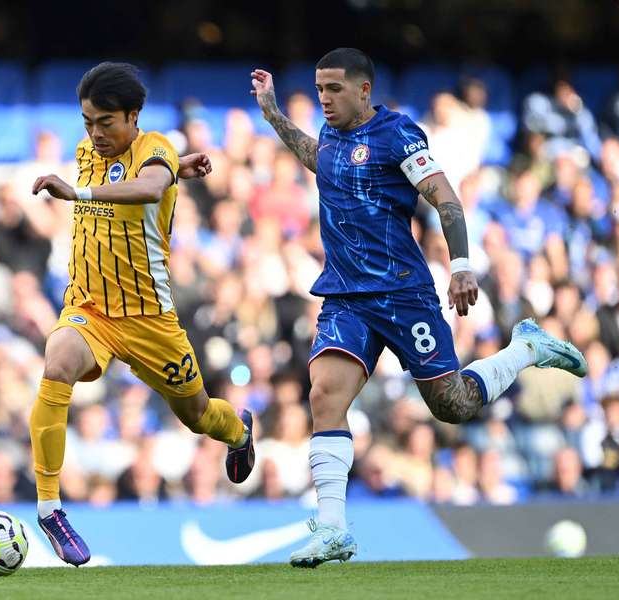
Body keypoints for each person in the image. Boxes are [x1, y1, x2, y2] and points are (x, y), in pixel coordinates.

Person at [251, 47, 588, 568]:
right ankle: (334, 530)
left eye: (334, 89)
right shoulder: (334, 138)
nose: (324, 99)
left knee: (451, 406)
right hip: (345, 295)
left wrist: (459, 266)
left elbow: (445, 198)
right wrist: (274, 113)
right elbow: (314, 156)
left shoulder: (398, 134)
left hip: (403, 293)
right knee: (323, 394)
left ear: (364, 90)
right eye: (319, 89)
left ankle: (525, 349)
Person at [27, 62, 254, 567]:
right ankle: (50, 508)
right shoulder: (90, 150)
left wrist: (83, 191)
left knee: (197, 417)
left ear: (133, 116)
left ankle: (238, 431)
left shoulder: (156, 148)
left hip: (150, 318)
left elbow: (151, 187)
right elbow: (152, 186)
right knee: (57, 360)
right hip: (89, 307)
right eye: (87, 122)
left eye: (105, 122)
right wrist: (175, 176)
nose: (94, 134)